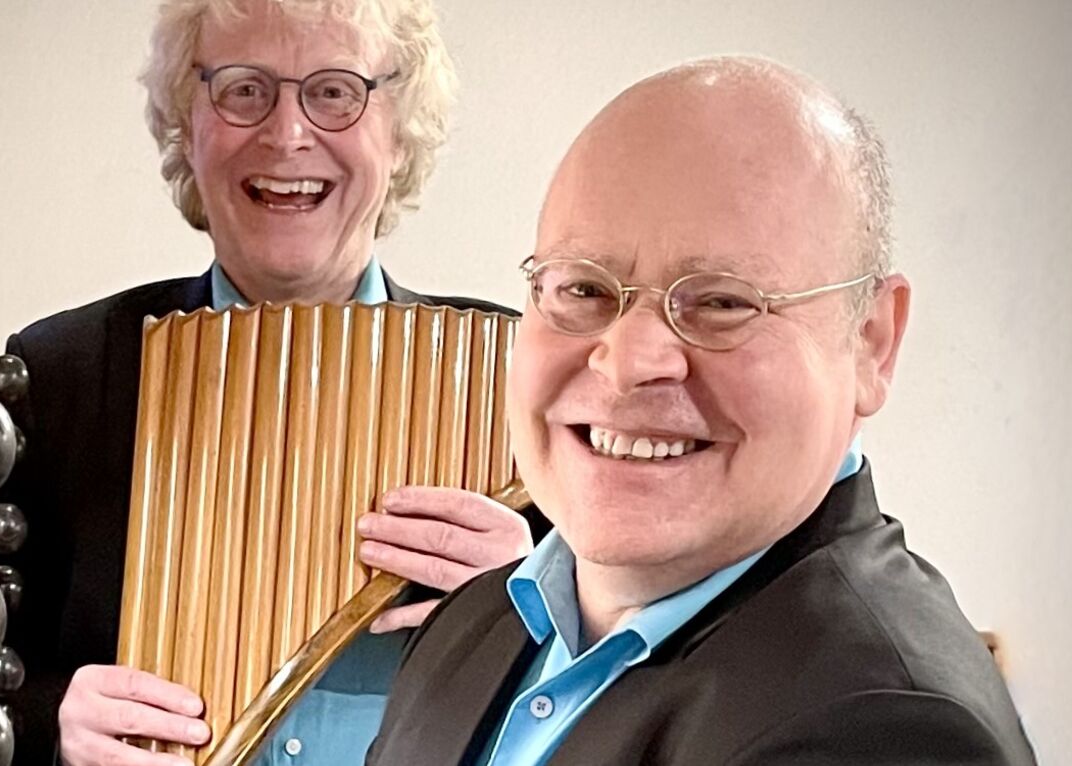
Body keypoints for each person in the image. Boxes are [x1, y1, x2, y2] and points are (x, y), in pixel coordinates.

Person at [366, 56, 1037, 765]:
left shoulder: (888, 734)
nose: (628, 362)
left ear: (872, 342)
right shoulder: (476, 618)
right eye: (584, 290)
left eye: (721, 302)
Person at [0, 1, 544, 763]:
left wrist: (542, 606)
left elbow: (640, 689)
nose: (287, 133)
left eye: (335, 92)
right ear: (187, 126)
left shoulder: (526, 380)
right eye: (245, 90)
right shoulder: (59, 375)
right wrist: (49, 725)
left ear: (400, 133)